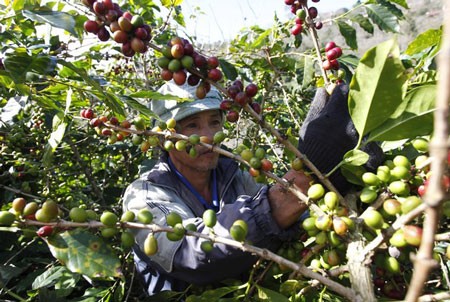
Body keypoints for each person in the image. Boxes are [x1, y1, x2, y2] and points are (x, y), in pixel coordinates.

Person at [122, 81, 382, 296]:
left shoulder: (237, 174)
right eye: (192, 126)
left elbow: (291, 222)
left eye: (214, 122)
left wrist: (333, 179)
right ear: (165, 138)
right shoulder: (144, 195)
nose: (209, 136)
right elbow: (190, 254)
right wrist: (302, 180)